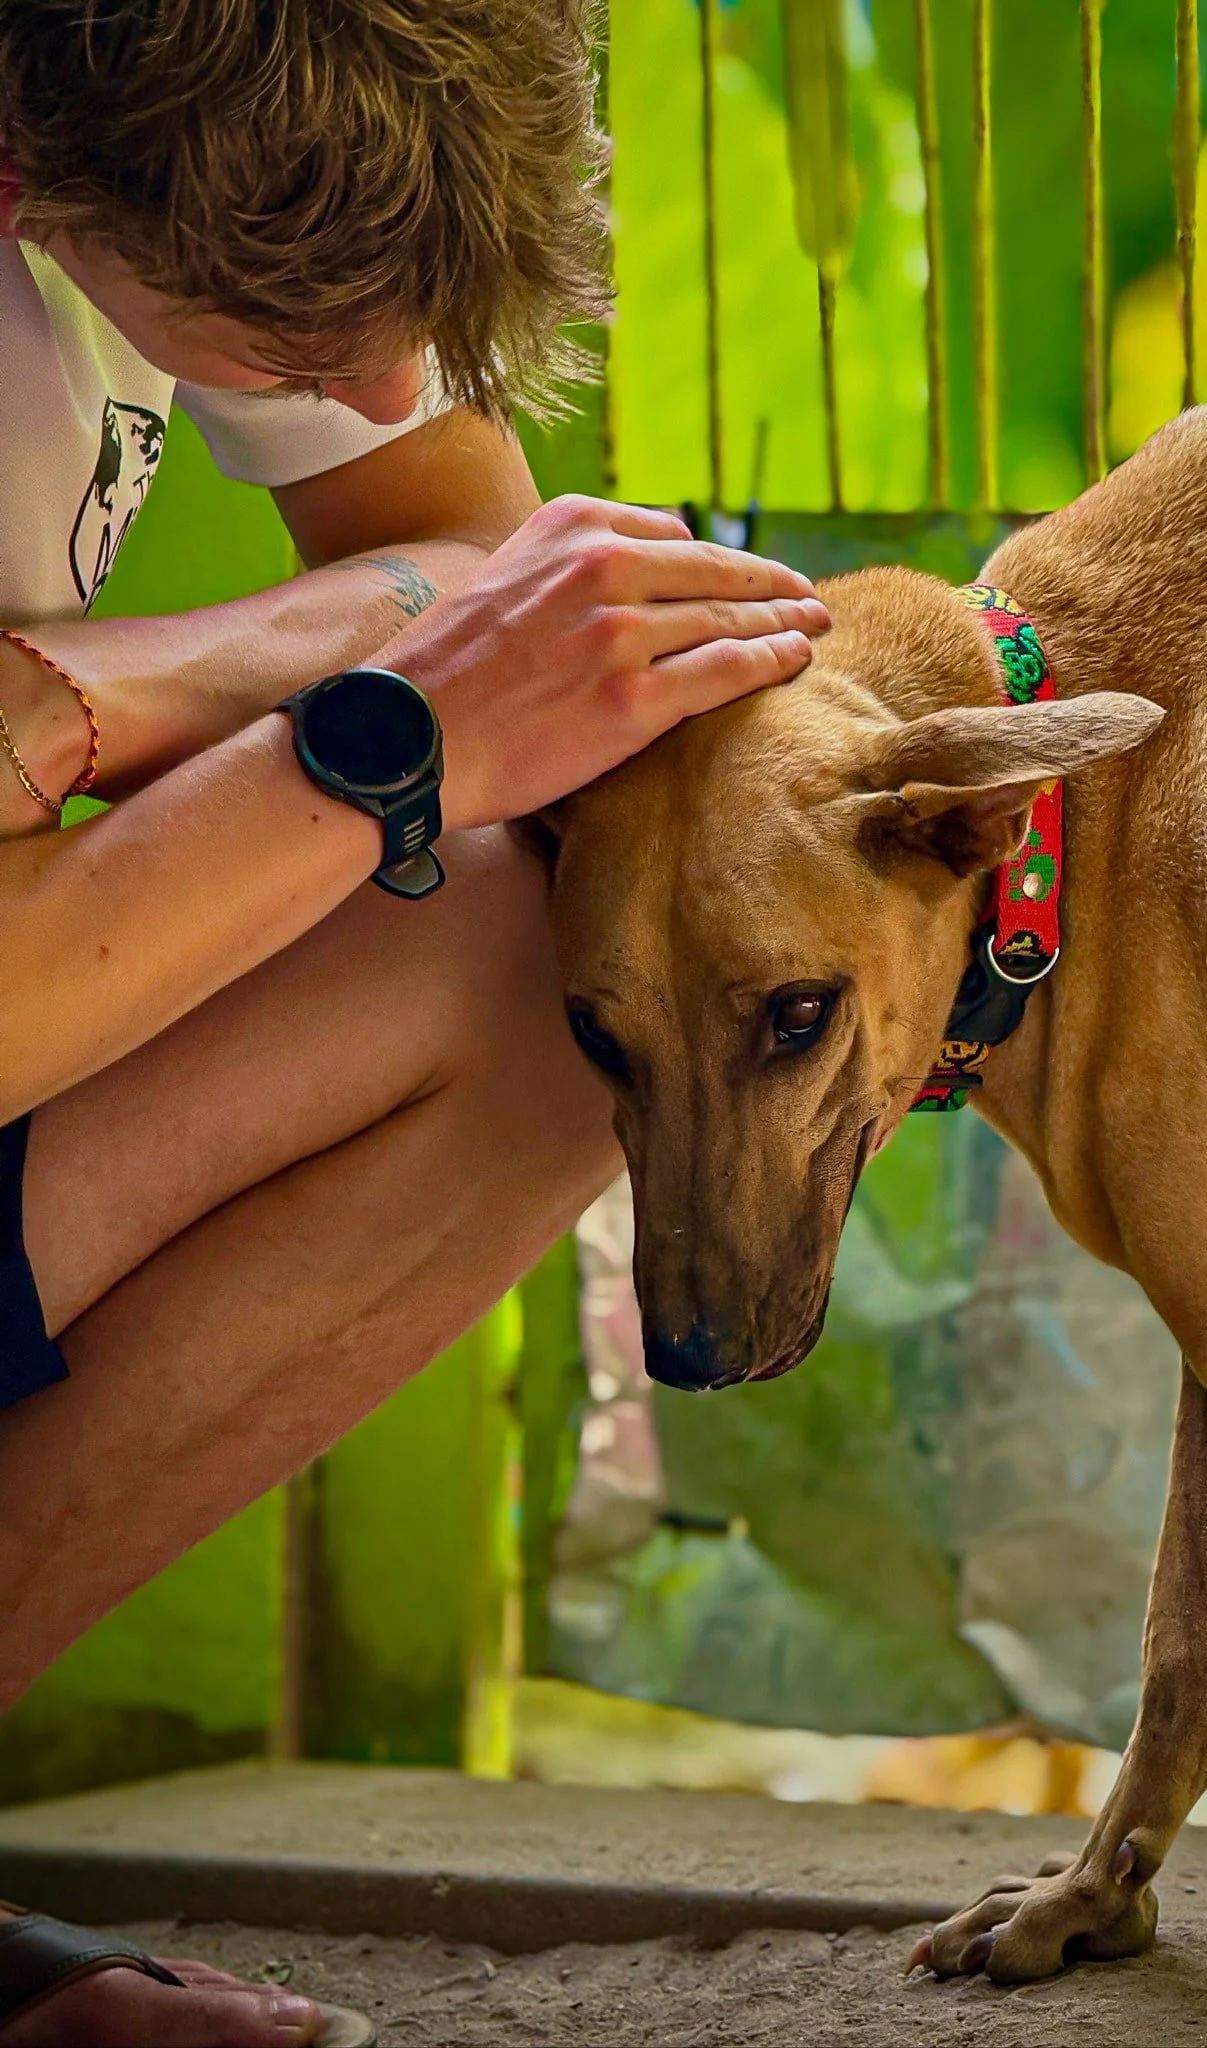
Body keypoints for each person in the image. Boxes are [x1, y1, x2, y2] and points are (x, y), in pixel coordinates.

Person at [0, 3, 830, 2041]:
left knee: (531, 955)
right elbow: (453, 622)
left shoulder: (253, 114)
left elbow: (463, 545)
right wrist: (391, 737)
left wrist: (119, 686)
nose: (375, 389)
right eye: (298, 363)